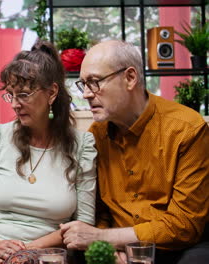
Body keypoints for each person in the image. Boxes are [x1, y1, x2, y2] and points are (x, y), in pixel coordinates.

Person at [60, 40, 209, 264]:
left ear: (130, 78)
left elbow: (184, 226)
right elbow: (99, 210)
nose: (87, 94)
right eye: (83, 85)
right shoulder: (97, 134)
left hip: (178, 248)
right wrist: (106, 248)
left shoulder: (187, 129)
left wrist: (103, 238)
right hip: (119, 250)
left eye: (95, 82)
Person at [0, 40, 97, 264]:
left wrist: (28, 250)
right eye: (11, 94)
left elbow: (83, 225)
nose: (15, 104)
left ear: (52, 92)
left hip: (47, 256)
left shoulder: (81, 146)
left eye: (23, 95)